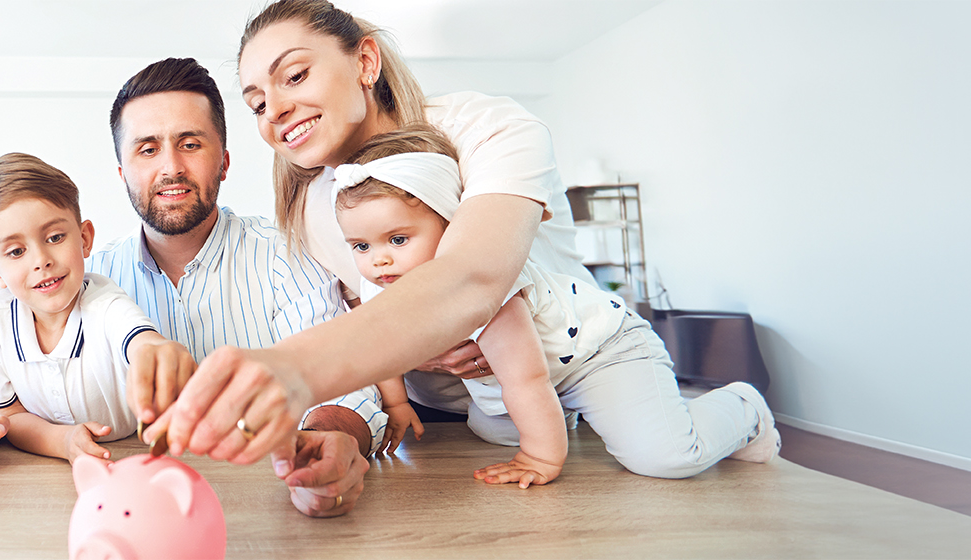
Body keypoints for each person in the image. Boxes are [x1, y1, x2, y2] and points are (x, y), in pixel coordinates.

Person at [149, 0, 779, 485]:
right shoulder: (310, 207)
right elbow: (366, 320)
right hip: (477, 412)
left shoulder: (488, 130)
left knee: (659, 456)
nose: (276, 110)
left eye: (294, 76)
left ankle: (740, 408)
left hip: (574, 354)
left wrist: (294, 369)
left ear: (365, 63)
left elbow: (472, 280)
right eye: (257, 102)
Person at [332, 124, 781, 486]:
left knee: (664, 458)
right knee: (492, 428)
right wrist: (395, 403)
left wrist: (540, 457)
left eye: (397, 239)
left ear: (453, 225)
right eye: (360, 246)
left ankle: (743, 407)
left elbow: (526, 379)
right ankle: (577, 412)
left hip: (601, 353)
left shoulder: (487, 284)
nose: (378, 260)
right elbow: (380, 347)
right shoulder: (382, 281)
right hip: (542, 375)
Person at [86, 57, 398, 517]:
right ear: (121, 172)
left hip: (265, 508)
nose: (171, 168)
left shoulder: (286, 255)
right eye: (147, 149)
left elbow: (345, 386)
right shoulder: (89, 279)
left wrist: (329, 438)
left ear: (224, 161)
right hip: (128, 512)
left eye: (190, 143)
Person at [0, 152, 198, 473]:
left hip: (131, 460)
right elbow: (8, 416)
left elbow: (142, 341)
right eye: (16, 251)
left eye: (55, 237)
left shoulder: (104, 303)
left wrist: (160, 350)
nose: (41, 260)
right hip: (45, 469)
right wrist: (64, 441)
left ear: (84, 239)